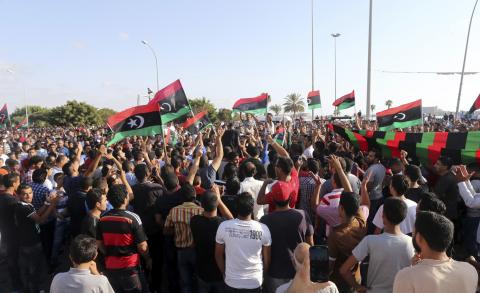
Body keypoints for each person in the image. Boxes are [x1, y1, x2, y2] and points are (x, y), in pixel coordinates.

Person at [340, 197, 415, 293]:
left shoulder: (370, 241)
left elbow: (344, 270)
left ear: (383, 217)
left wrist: (357, 286)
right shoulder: (412, 244)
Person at [393, 211, 478, 293]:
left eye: (414, 233)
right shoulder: (470, 270)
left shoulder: (406, 277)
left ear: (419, 238)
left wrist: (413, 270)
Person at [260, 177, 314, 293]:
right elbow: (311, 245)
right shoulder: (303, 215)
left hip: (275, 274)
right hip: (299, 272)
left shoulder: (265, 220)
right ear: (290, 197)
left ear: (273, 199)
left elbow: (264, 251)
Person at [96, 184, 151, 293]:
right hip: (130, 267)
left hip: (111, 267)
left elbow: (99, 243)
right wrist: (148, 258)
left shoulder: (102, 218)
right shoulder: (132, 218)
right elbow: (143, 246)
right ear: (125, 198)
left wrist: (110, 253)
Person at [215, 192, 272, 292]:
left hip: (231, 282)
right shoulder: (263, 229)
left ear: (237, 207)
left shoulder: (224, 226)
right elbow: (267, 260)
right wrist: (262, 276)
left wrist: (225, 273)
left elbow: (218, 255)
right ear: (252, 208)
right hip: (255, 282)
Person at [327, 174, 371, 293]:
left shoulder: (336, 235)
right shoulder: (361, 221)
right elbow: (363, 202)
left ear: (341, 209)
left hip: (339, 283)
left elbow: (330, 266)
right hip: (356, 277)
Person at [15, 183, 60, 292]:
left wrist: (47, 203)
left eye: (30, 193)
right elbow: (40, 220)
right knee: (34, 270)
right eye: (25, 194)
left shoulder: (26, 205)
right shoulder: (24, 208)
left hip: (26, 242)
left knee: (29, 269)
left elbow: (36, 214)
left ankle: (28, 288)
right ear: (19, 196)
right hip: (31, 243)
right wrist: (52, 205)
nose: (28, 196)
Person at [190, 187, 233, 293]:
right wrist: (219, 199)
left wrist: (216, 199)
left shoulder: (194, 221)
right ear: (217, 204)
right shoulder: (222, 224)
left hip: (202, 271)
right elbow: (231, 219)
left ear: (202, 205)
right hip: (219, 271)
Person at [164, 183, 204, 293]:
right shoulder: (201, 211)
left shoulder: (174, 211)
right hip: (197, 251)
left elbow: (166, 230)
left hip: (181, 251)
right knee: (199, 280)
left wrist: (178, 230)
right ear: (194, 195)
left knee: (185, 282)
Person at [131, 163, 164, 293]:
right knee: (156, 260)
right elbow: (166, 193)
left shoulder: (132, 190)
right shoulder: (156, 188)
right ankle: (155, 286)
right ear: (147, 174)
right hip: (154, 230)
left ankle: (145, 286)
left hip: (139, 231)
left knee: (142, 262)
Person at [0, 173, 22, 291]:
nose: (19, 183)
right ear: (14, 184)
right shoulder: (13, 201)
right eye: (18, 181)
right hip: (14, 234)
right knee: (14, 260)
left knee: (11, 259)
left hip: (5, 232)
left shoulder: (3, 197)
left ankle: (16, 284)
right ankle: (17, 286)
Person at [364, 148, 386, 233]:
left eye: (371, 156)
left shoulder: (372, 169)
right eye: (368, 155)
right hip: (380, 196)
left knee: (370, 220)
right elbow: (383, 182)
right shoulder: (383, 167)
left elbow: (368, 186)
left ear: (376, 159)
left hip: (372, 199)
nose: (368, 157)